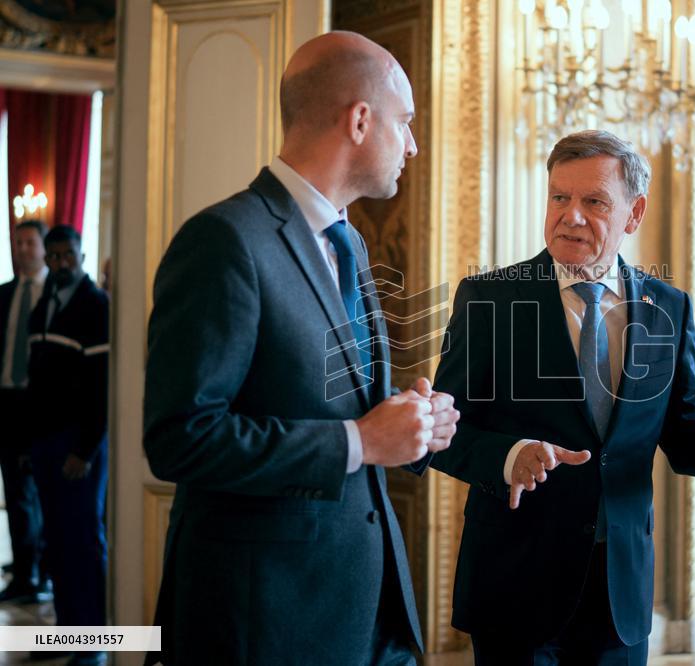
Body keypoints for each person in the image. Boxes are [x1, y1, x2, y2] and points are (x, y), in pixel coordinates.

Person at [431, 130, 695, 665]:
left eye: (594, 202)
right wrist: (508, 455)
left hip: (620, 589)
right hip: (514, 581)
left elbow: (685, 424)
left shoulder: (669, 307)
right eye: (559, 198)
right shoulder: (490, 299)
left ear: (633, 214)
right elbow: (439, 431)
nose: (571, 216)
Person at [143, 31, 460, 666]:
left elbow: (329, 391)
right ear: (361, 120)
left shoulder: (349, 242)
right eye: (406, 123)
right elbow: (181, 437)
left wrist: (411, 421)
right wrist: (362, 442)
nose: (413, 144)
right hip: (267, 618)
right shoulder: (224, 241)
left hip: (366, 605)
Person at [27, 224, 109, 666]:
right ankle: (66, 632)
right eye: (53, 256)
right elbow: (34, 385)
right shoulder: (42, 308)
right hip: (44, 444)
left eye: (67, 256)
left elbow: (101, 387)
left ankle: (94, 638)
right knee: (55, 541)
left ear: (80, 255)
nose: (60, 264)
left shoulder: (95, 306)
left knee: (83, 539)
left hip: (80, 447)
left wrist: (87, 448)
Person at [0, 220, 48, 603]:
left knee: (45, 492)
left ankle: (44, 572)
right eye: (18, 242)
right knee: (16, 493)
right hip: (8, 403)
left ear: (43, 246)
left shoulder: (56, 293)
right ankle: (23, 571)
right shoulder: (4, 294)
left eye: (30, 242)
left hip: (43, 407)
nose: (23, 249)